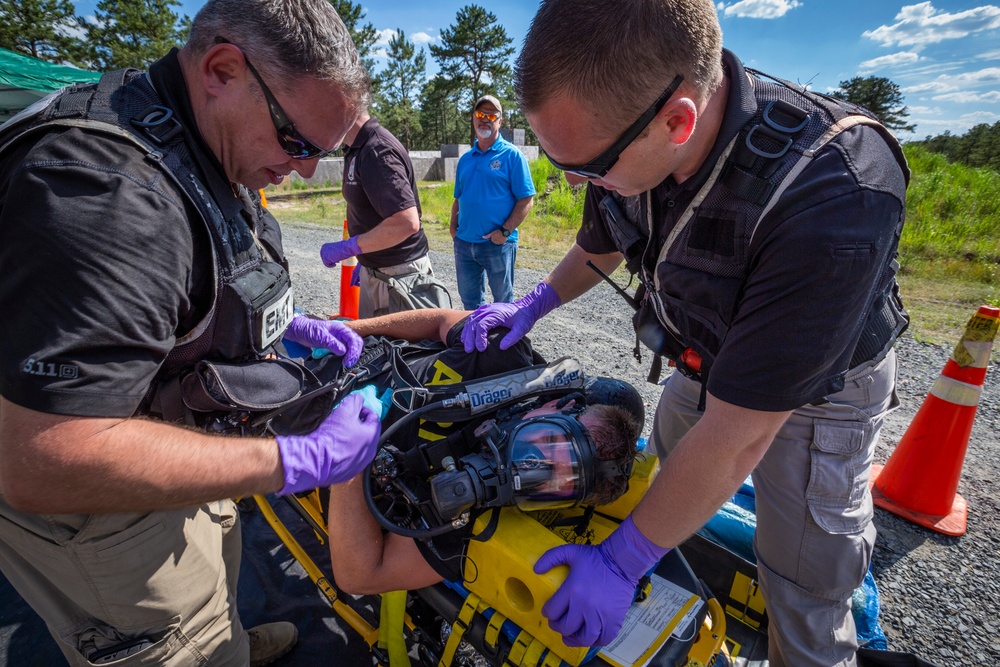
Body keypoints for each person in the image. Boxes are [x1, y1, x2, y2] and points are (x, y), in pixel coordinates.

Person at [462, 1, 910, 665]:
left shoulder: (833, 190)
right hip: (704, 362)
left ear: (678, 121)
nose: (577, 183)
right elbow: (603, 240)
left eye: (586, 168)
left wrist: (618, 564)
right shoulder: (624, 126)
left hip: (810, 398)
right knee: (665, 487)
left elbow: (739, 435)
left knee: (805, 587)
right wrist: (532, 304)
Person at [0, 1, 383, 665]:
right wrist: (295, 460)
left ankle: (220, 632)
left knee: (216, 563)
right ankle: (200, 642)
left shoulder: (184, 125)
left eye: (323, 152)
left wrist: (281, 319)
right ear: (223, 70)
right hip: (107, 514)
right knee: (178, 638)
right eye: (297, 143)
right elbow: (39, 460)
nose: (306, 171)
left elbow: (189, 271)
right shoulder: (110, 198)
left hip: (175, 448)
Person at [320, 308, 640, 590]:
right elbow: (440, 322)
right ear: (560, 405)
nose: (526, 465)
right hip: (350, 350)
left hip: (310, 434)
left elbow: (360, 576)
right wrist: (355, 328)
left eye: (544, 479)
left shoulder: (470, 516)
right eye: (544, 442)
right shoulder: (509, 362)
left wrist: (350, 458)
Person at [320, 109, 436, 318]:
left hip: (398, 274)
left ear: (345, 106)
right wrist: (366, 259)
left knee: (397, 349)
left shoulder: (377, 149)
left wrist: (350, 247)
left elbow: (406, 222)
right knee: (374, 346)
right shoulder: (356, 148)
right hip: (379, 270)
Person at [450, 94, 536, 309]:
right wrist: (453, 227)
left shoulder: (512, 156)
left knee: (503, 303)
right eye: (480, 114)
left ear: (500, 121)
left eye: (491, 115)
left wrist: (504, 232)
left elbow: (526, 199)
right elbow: (458, 197)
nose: (485, 119)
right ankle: (475, 342)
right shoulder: (466, 159)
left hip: (497, 244)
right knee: (470, 303)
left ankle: (501, 343)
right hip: (464, 243)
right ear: (473, 118)